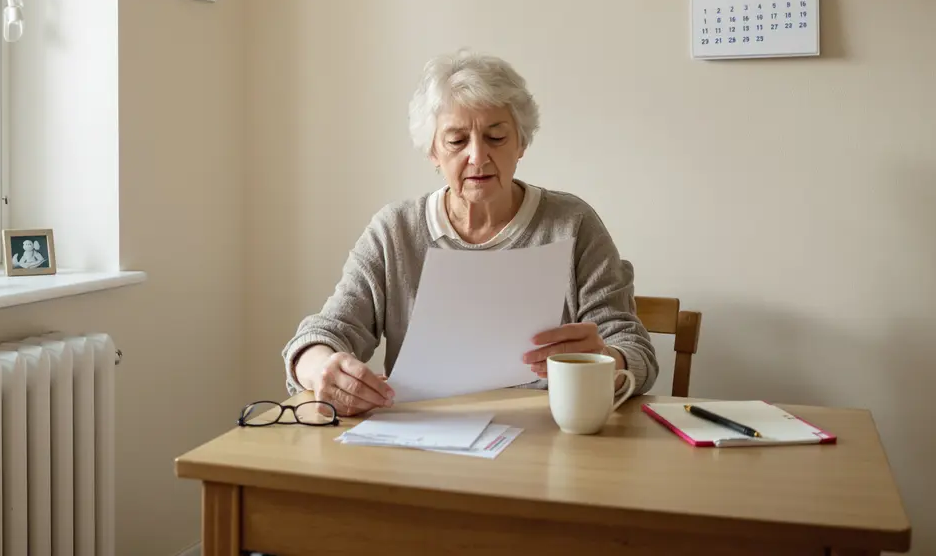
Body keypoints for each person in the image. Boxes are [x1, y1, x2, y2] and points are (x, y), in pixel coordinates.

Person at [282, 50, 658, 416]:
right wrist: (321, 369)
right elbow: (324, 333)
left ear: (521, 142)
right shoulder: (394, 231)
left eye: (495, 137)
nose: (477, 157)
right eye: (457, 141)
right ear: (433, 151)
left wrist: (605, 360)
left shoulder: (572, 224)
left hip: (545, 439)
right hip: (427, 439)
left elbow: (634, 349)